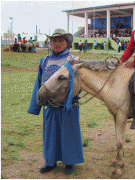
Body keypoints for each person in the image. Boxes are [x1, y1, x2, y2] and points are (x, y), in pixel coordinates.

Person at [27, 29, 84, 175]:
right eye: (54, 41)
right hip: (49, 106)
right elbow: (39, 83)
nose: (57, 44)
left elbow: (79, 83)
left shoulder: (73, 60)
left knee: (68, 133)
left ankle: (70, 162)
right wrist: (35, 106)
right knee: (50, 135)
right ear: (50, 43)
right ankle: (50, 162)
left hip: (68, 106)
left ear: (67, 42)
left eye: (61, 41)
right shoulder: (44, 61)